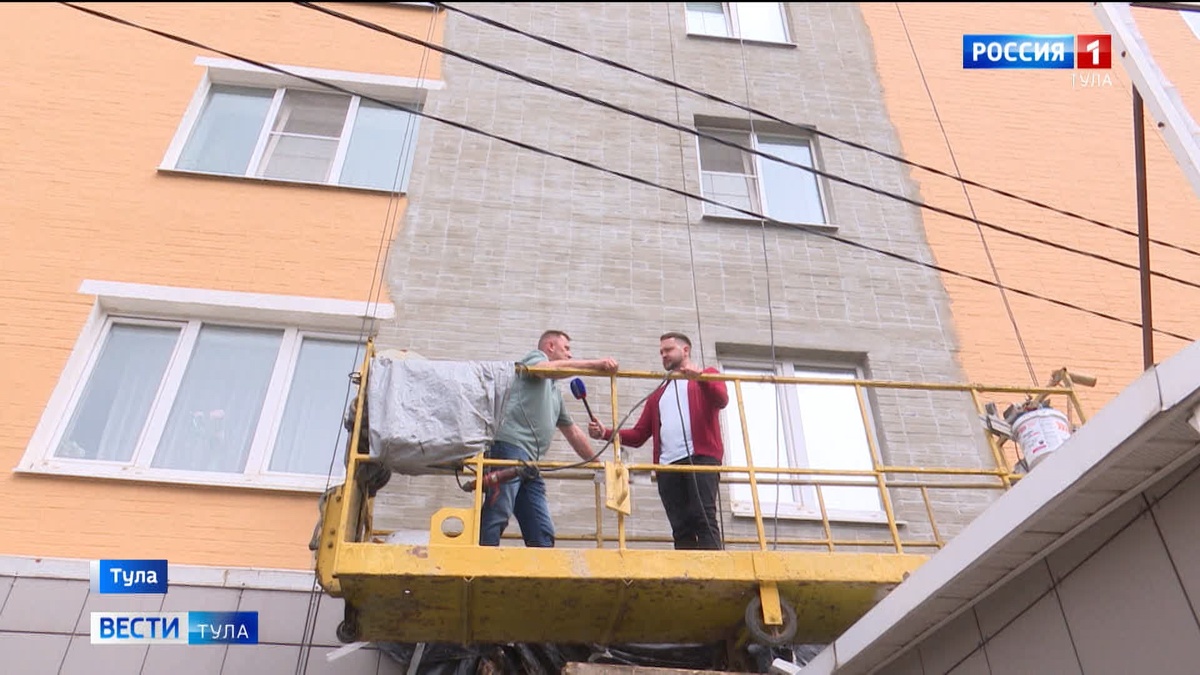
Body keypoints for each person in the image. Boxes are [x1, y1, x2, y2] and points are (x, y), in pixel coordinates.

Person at [588, 332, 728, 550]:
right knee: (680, 527)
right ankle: (687, 568)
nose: (663, 355)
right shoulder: (658, 394)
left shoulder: (707, 375)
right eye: (661, 352)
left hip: (701, 459)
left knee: (703, 517)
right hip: (667, 466)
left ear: (685, 350)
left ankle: (714, 568)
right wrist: (605, 433)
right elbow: (639, 435)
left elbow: (721, 399)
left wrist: (700, 378)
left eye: (668, 350)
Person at [480, 330, 619, 547]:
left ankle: (542, 558)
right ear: (550, 346)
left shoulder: (554, 392)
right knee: (499, 509)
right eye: (566, 349)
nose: (570, 355)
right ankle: (481, 557)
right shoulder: (535, 359)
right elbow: (546, 370)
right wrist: (595, 365)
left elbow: (572, 432)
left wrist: (598, 464)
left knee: (541, 527)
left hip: (530, 462)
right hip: (509, 448)